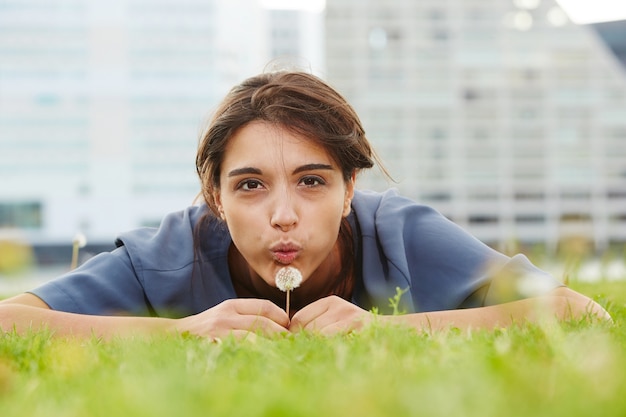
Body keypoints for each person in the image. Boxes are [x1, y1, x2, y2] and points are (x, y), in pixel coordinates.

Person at [0, 71, 610, 339]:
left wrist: (389, 335)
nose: (282, 214)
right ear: (215, 197)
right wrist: (182, 334)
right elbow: (8, 322)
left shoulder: (401, 234)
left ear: (350, 190)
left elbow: (580, 313)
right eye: (249, 185)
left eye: (312, 181)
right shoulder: (167, 253)